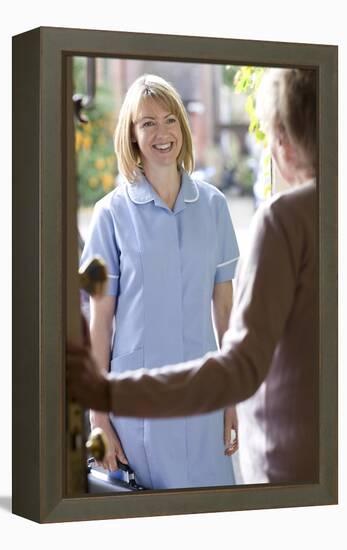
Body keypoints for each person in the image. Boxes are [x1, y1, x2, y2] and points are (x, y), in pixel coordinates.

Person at [77, 74, 240, 490]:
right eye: (147, 123)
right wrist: (99, 417)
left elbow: (226, 313)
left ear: (182, 128)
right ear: (132, 136)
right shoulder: (110, 215)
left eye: (170, 120)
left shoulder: (214, 207)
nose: (162, 133)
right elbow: (100, 323)